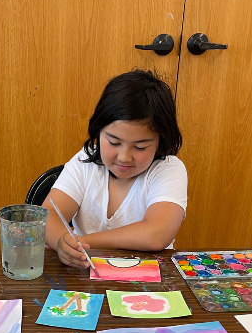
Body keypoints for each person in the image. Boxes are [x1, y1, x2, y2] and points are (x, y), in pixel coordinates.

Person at [44, 69, 187, 269]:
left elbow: (156, 234)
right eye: (113, 142)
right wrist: (62, 242)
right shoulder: (85, 161)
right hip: (85, 276)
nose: (124, 157)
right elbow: (48, 214)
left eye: (140, 147)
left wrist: (85, 242)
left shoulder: (168, 169)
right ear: (98, 131)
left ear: (161, 141)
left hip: (150, 282)